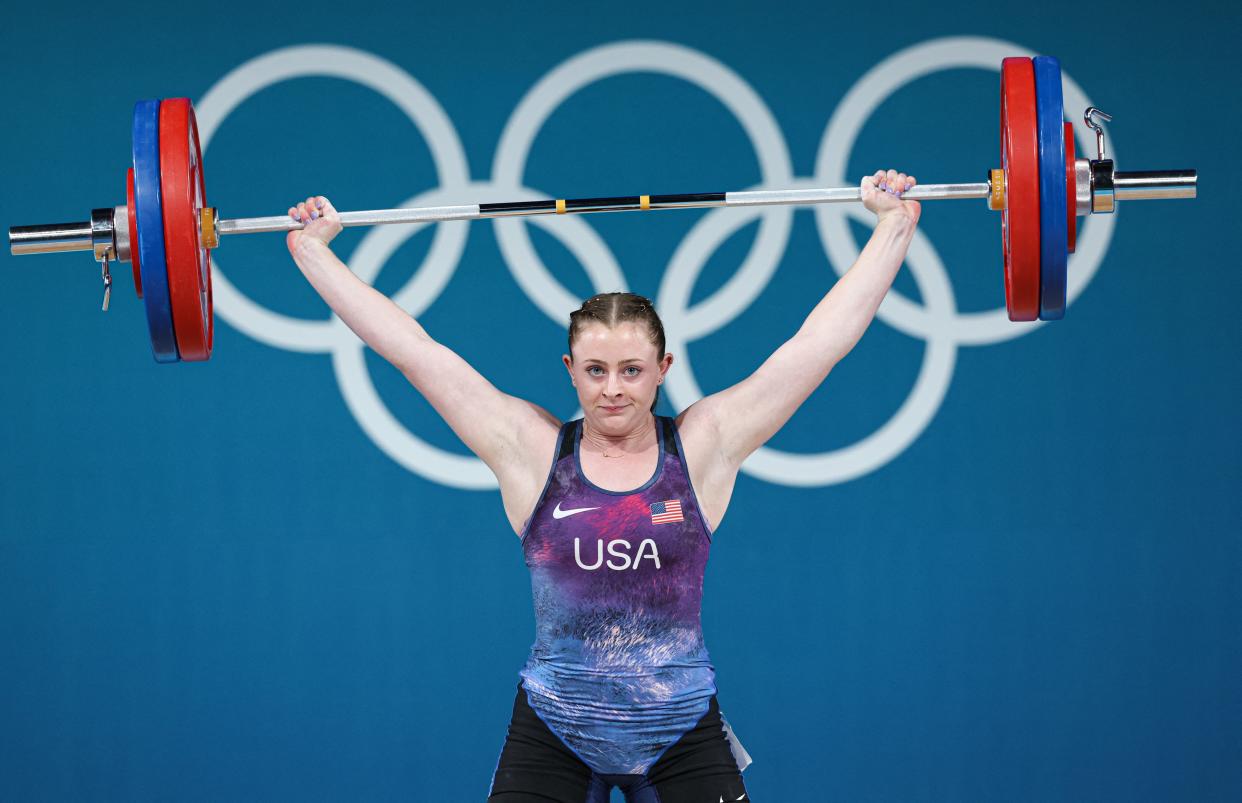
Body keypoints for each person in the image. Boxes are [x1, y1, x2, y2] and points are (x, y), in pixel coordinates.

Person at [286, 169, 920, 802]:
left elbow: (817, 347)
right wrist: (313, 252)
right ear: (570, 370)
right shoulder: (530, 449)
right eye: (594, 370)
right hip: (555, 727)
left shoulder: (704, 446)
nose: (612, 388)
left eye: (631, 370)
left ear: (662, 370)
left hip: (680, 729)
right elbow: (412, 351)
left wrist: (895, 225)